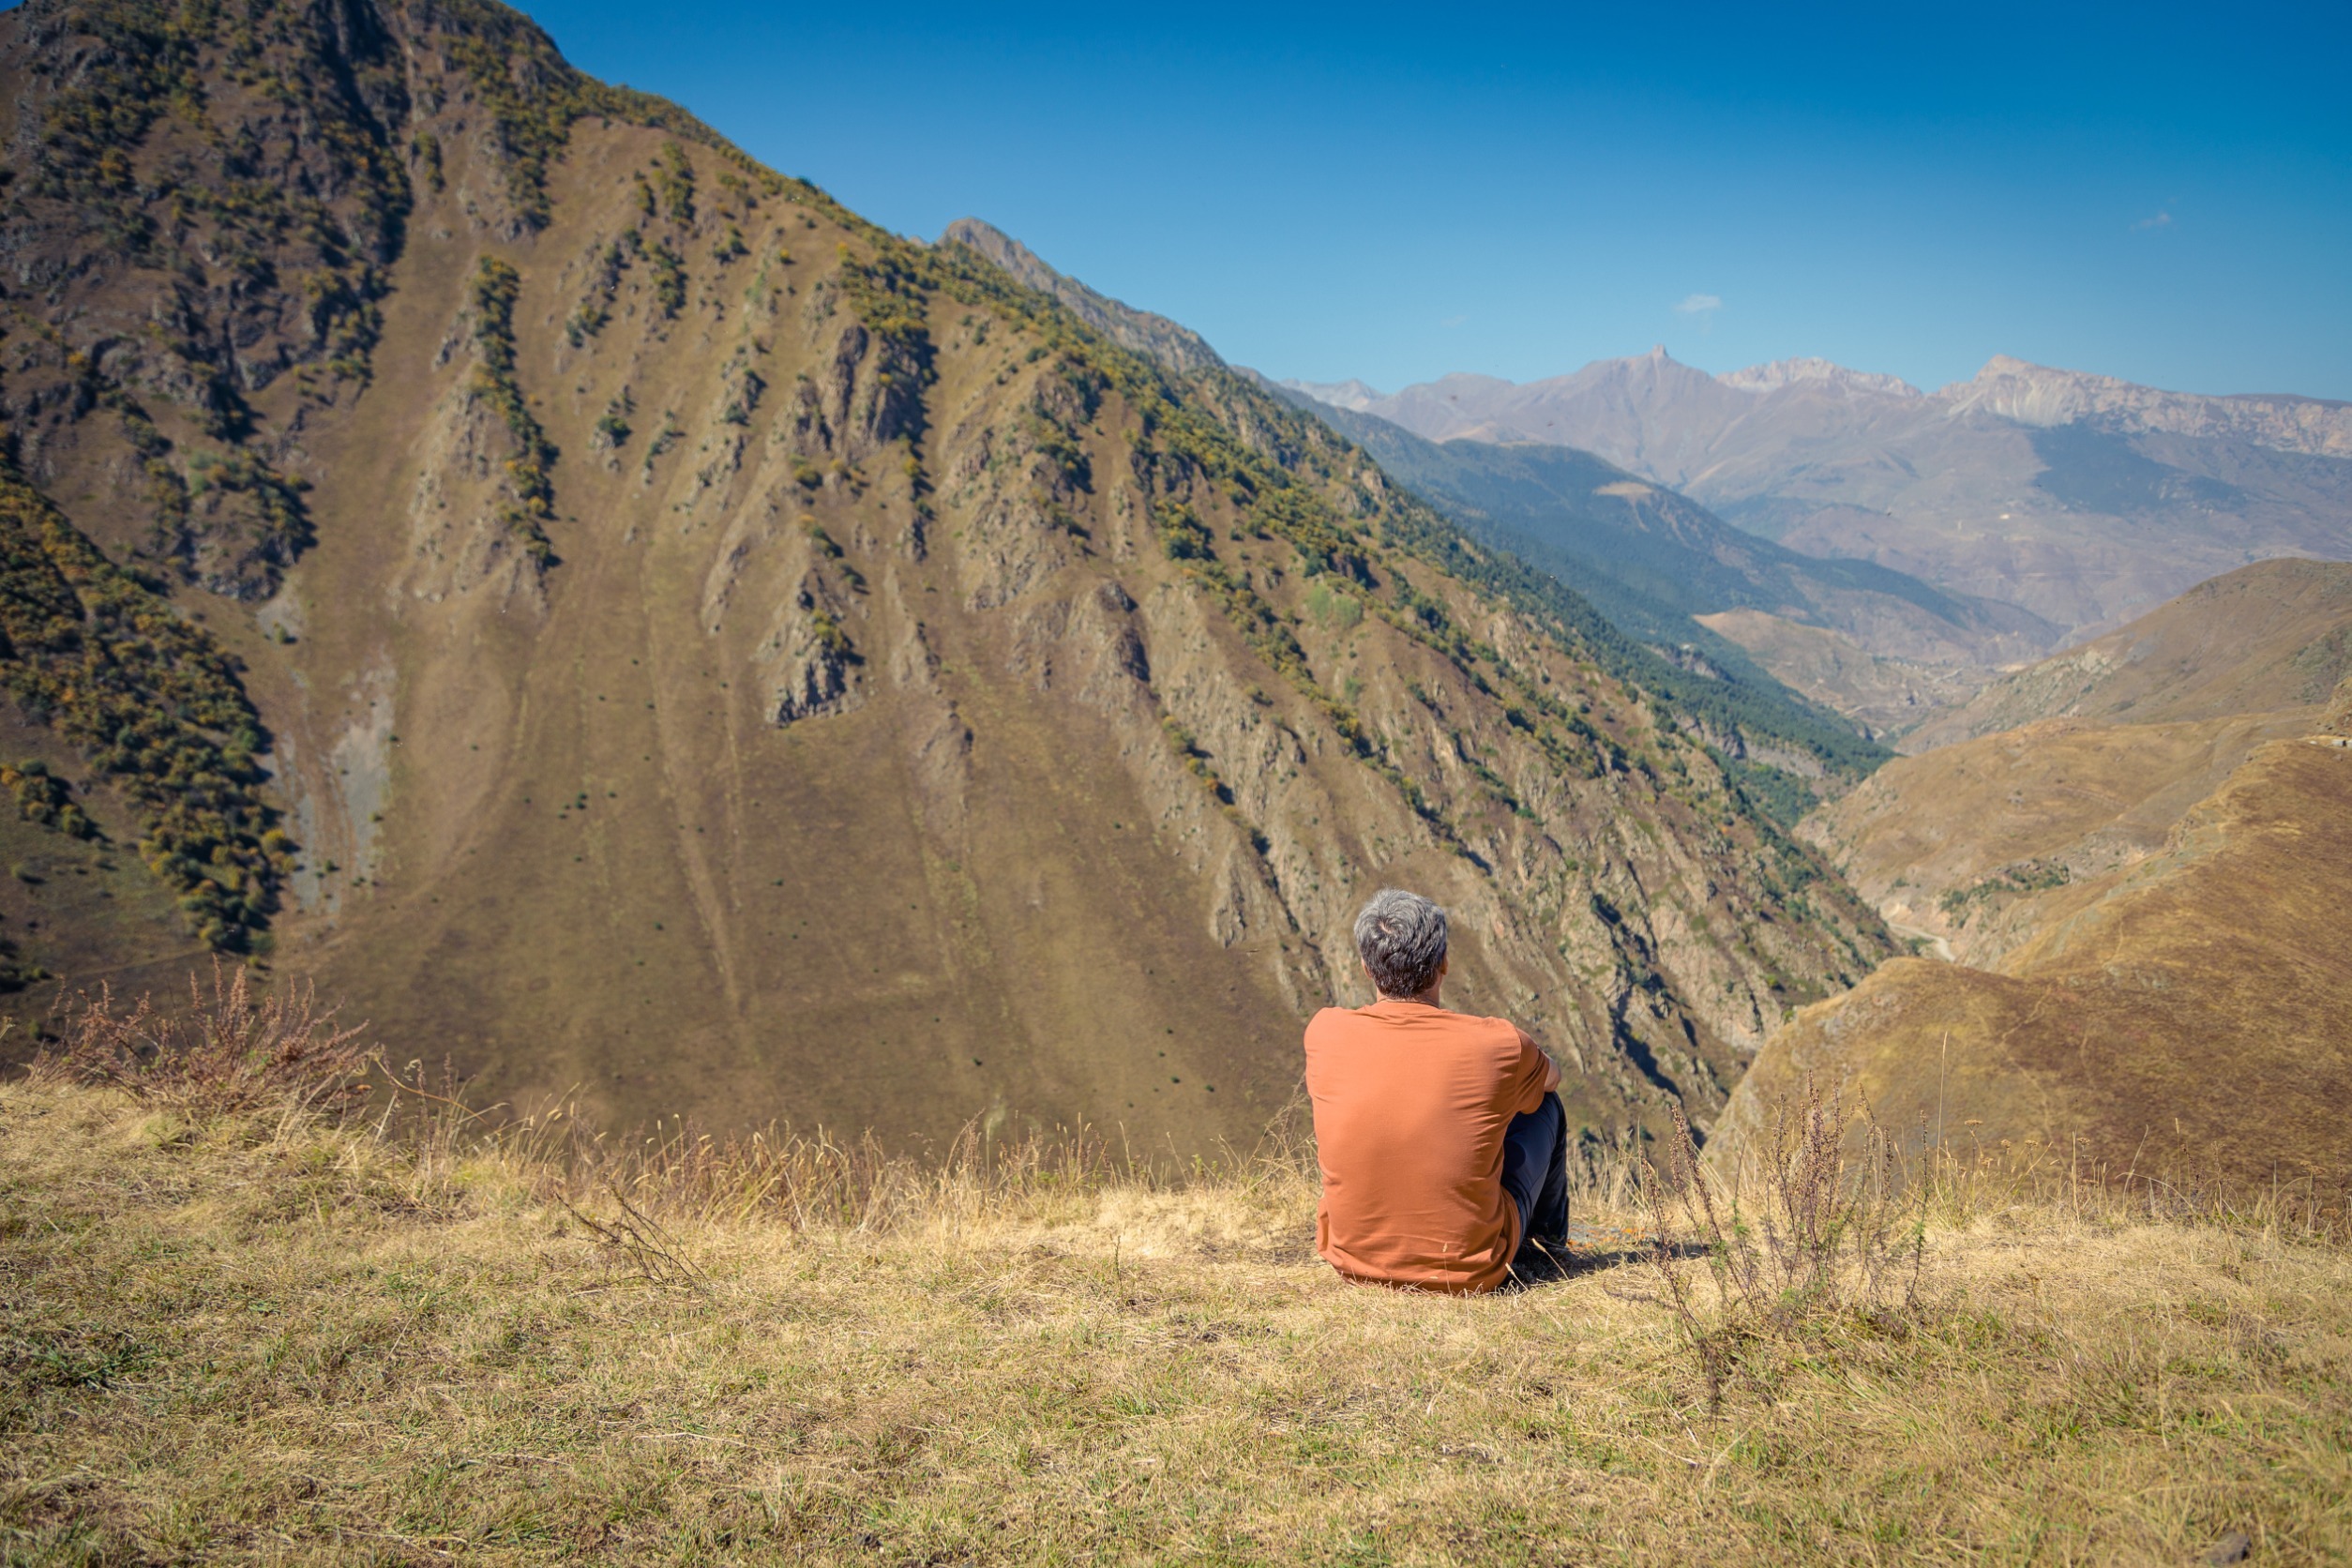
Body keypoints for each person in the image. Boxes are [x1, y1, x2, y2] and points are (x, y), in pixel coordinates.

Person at [1303, 888, 1570, 1293]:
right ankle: (1547, 1249)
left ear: (1366, 967)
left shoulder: (1324, 1032)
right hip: (1469, 1270)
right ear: (1443, 962)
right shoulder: (1497, 1044)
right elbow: (1552, 1077)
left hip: (1353, 1262)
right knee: (1545, 1106)